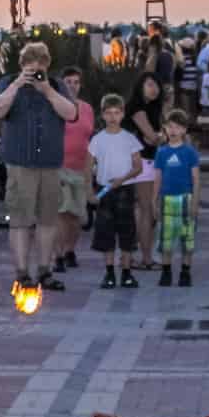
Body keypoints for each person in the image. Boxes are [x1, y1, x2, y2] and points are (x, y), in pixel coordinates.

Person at [0, 42, 79, 293]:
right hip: (20, 164)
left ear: (47, 66)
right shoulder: (9, 83)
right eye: (31, 67)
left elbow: (71, 114)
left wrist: (47, 90)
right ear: (22, 66)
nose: (36, 72)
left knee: (47, 220)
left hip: (49, 164)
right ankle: (22, 273)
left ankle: (44, 270)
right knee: (19, 220)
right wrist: (18, 85)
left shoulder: (57, 86)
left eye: (40, 66)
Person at [87, 94, 143, 288]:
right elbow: (88, 167)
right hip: (105, 191)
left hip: (125, 191)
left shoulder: (129, 139)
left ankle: (127, 272)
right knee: (106, 233)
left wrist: (122, 179)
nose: (113, 117)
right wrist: (89, 191)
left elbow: (138, 167)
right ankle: (109, 273)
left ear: (123, 114)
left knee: (127, 232)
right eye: (109, 113)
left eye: (117, 113)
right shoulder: (97, 140)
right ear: (102, 115)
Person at [152, 109, 201, 286]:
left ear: (184, 130)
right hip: (166, 200)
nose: (173, 130)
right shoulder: (161, 152)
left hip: (186, 199)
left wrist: (195, 202)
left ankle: (185, 272)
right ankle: (166, 272)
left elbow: (196, 179)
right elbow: (157, 178)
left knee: (187, 239)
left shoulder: (190, 152)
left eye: (177, 127)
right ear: (165, 128)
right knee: (166, 238)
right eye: (170, 126)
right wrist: (154, 201)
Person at [54, 68, 94, 275]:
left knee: (77, 215)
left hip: (81, 167)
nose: (72, 85)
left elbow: (90, 137)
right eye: (68, 81)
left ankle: (70, 250)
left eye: (76, 82)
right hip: (59, 167)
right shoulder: (55, 107)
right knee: (62, 212)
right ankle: (58, 255)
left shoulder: (87, 108)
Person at [123, 73, 165, 272]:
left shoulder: (153, 109)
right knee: (146, 209)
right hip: (140, 163)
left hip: (149, 161)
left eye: (156, 84)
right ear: (140, 86)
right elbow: (152, 137)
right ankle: (145, 258)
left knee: (145, 210)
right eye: (149, 84)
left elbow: (156, 137)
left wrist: (159, 136)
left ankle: (136, 255)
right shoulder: (137, 109)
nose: (154, 88)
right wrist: (161, 135)